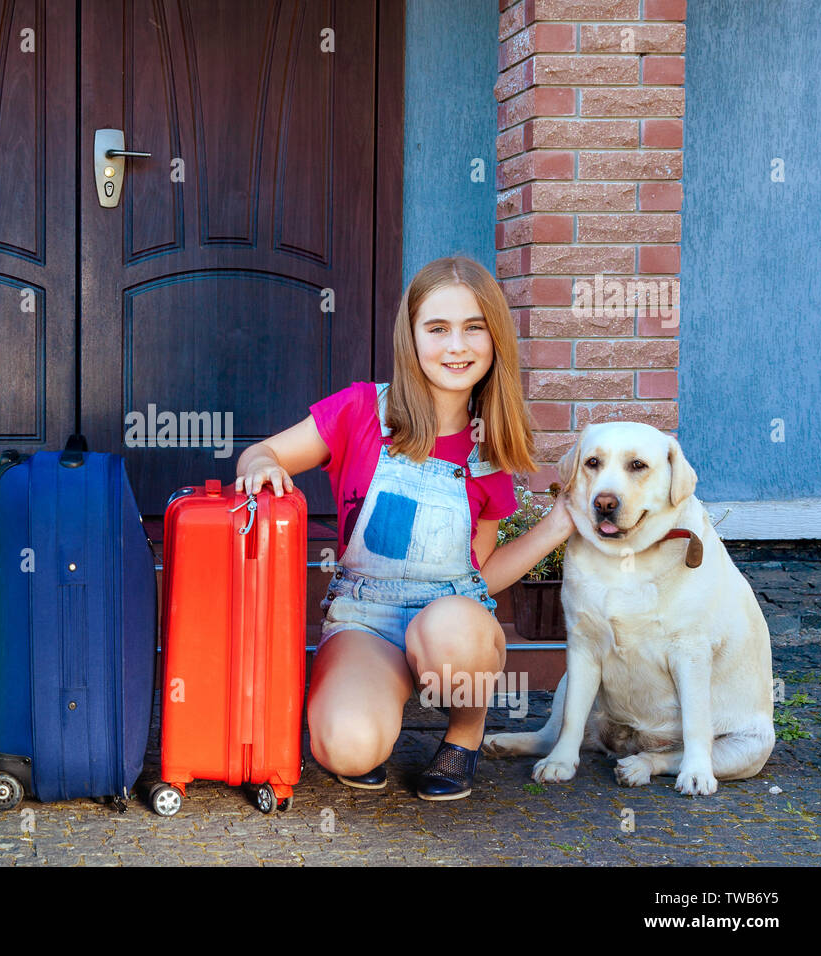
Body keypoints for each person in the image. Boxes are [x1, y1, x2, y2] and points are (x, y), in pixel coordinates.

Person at [234, 256, 575, 800]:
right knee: (345, 746)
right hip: (367, 615)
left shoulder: (490, 446)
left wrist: (557, 526)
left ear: (496, 339)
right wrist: (262, 467)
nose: (456, 346)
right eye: (437, 328)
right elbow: (264, 450)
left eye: (473, 328)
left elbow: (479, 577)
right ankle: (376, 705)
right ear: (410, 336)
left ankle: (464, 734)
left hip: (450, 624)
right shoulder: (360, 411)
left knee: (452, 631)